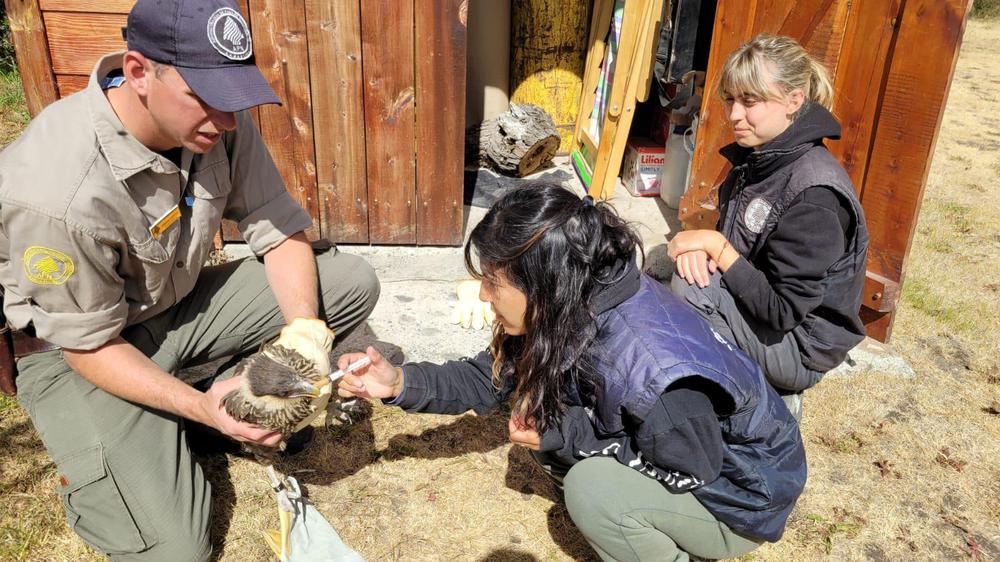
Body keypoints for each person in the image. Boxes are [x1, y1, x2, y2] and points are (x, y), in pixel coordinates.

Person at [0, 0, 379, 559]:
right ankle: (123, 452)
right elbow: (87, 345)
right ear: (138, 72)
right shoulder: (56, 192)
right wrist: (202, 410)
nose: (227, 120)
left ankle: (191, 401)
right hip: (77, 351)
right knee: (177, 549)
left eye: (234, 99)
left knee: (349, 281)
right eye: (208, 99)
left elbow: (278, 228)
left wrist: (305, 334)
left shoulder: (211, 120)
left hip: (162, 313)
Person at [336, 184, 806, 562]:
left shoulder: (657, 377)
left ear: (544, 282)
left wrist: (565, 435)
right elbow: (492, 377)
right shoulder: (572, 296)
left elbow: (692, 470)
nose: (482, 296)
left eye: (493, 283)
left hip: (738, 496)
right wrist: (398, 383)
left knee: (592, 490)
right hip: (692, 451)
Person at [666, 33, 869, 420]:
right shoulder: (763, 156)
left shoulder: (815, 195)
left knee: (693, 289)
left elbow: (781, 312)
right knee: (686, 270)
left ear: (794, 101)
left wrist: (714, 245)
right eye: (730, 99)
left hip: (800, 347)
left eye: (750, 101)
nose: (734, 115)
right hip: (766, 315)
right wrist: (706, 247)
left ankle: (745, 397)